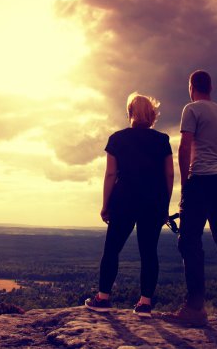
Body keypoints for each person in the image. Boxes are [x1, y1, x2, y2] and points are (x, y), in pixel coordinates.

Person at [164, 70, 217, 326]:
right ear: (211, 87)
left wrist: (187, 183)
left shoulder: (191, 109)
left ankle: (195, 307)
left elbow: (184, 146)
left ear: (191, 87)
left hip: (199, 179)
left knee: (188, 240)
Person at [85, 92, 174, 317]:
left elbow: (111, 174)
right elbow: (169, 175)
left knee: (112, 249)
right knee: (149, 252)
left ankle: (103, 298)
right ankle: (145, 304)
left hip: (123, 200)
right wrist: (164, 206)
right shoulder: (162, 140)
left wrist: (105, 205)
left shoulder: (117, 139)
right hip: (153, 202)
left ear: (130, 113)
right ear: (152, 115)